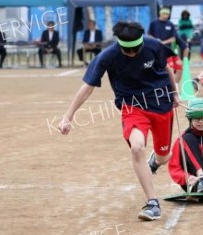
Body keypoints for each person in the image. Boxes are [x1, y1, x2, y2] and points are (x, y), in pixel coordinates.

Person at [59, 21, 179, 221]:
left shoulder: (153, 45)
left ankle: (155, 162)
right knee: (137, 148)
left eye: (135, 49)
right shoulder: (108, 56)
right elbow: (87, 87)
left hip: (161, 105)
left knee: (163, 155)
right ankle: (152, 203)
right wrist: (67, 117)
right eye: (126, 50)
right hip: (133, 108)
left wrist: (175, 93)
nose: (131, 54)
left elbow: (167, 69)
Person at [148, 8, 188, 83]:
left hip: (170, 51)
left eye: (167, 14)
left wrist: (162, 42)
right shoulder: (154, 23)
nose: (166, 16)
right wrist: (156, 41)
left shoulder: (170, 24)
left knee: (179, 68)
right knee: (168, 70)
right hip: (158, 52)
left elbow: (173, 39)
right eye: (164, 14)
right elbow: (149, 35)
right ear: (160, 14)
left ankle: (175, 86)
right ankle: (168, 87)